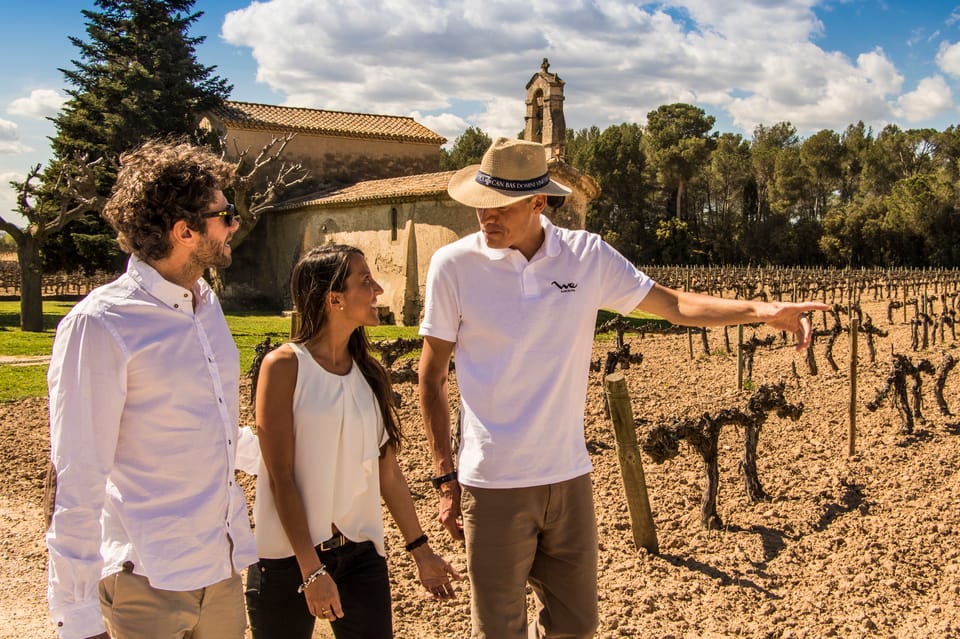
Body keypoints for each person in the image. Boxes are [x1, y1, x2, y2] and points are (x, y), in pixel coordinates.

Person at [417, 136, 830, 639]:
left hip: (569, 478)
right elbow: (431, 375)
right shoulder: (453, 265)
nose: (486, 218)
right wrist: (444, 477)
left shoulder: (585, 256)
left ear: (538, 202)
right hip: (492, 481)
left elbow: (674, 305)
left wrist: (764, 313)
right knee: (499, 632)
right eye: (481, 205)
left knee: (577, 628)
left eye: (500, 207)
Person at [46, 138, 260, 639]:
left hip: (222, 568)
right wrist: (76, 619)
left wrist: (287, 454)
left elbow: (211, 431)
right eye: (225, 214)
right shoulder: (100, 324)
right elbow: (77, 474)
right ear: (185, 231)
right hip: (146, 578)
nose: (234, 225)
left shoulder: (206, 304)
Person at [246, 245, 461, 639]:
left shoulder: (370, 373)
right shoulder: (284, 367)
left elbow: (388, 473)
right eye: (365, 280)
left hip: (361, 554)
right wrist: (311, 570)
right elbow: (280, 476)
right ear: (333, 299)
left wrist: (422, 551)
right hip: (288, 559)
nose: (378, 289)